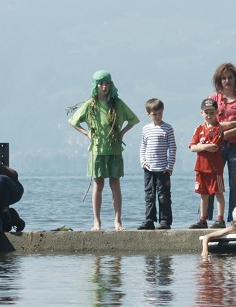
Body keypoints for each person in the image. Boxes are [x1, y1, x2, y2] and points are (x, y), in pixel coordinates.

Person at [68, 70, 139, 231]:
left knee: (115, 184)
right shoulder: (90, 105)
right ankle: (96, 222)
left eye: (107, 83)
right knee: (98, 185)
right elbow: (73, 121)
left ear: (111, 84)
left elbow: (133, 119)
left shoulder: (117, 103)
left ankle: (118, 221)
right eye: (101, 83)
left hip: (114, 149)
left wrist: (121, 133)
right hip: (97, 150)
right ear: (96, 85)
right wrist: (87, 133)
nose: (104, 86)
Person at [206, 63, 236, 222]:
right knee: (212, 181)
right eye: (224, 78)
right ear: (219, 80)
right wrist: (230, 124)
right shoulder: (213, 99)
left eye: (230, 77)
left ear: (235, 79)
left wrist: (223, 134)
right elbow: (209, 122)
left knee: (235, 182)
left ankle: (235, 218)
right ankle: (206, 218)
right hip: (215, 147)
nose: (227, 81)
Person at [138, 98, 176, 230]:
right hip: (149, 168)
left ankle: (165, 221)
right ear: (149, 114)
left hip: (163, 169)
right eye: (155, 114)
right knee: (149, 194)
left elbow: (172, 148)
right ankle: (149, 219)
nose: (158, 116)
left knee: (164, 195)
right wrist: (143, 162)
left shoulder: (167, 128)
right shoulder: (146, 129)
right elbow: (143, 147)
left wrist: (169, 166)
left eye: (160, 113)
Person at [188, 98, 226, 230]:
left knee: (218, 192)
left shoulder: (218, 129)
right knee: (203, 194)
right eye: (206, 112)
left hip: (215, 168)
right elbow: (192, 147)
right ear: (202, 113)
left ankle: (220, 219)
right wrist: (203, 146)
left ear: (216, 113)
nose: (209, 115)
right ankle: (202, 220)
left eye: (211, 112)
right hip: (201, 167)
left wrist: (200, 145)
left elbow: (214, 146)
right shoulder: (199, 129)